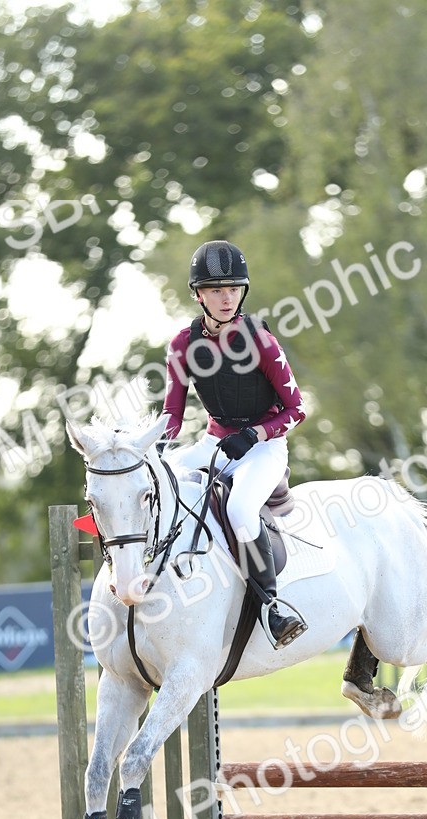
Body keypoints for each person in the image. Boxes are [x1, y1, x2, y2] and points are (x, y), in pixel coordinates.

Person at [161, 239, 307, 648]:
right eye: (215, 290)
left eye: (233, 289)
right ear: (198, 295)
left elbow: (296, 410)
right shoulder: (182, 345)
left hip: (264, 446)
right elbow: (172, 416)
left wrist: (255, 434)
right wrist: (153, 449)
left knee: (241, 509)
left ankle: (271, 607)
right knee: (155, 481)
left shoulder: (261, 341)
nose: (226, 299)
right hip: (215, 442)